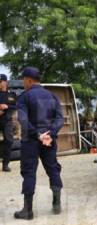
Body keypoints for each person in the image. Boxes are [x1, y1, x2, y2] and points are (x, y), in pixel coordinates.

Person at [15, 67, 64, 220]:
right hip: (49, 140)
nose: (23, 83)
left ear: (29, 80)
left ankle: (27, 210)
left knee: (29, 171)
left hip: (30, 140)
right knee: (53, 168)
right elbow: (60, 119)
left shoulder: (24, 97)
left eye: (23, 80)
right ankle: (56, 203)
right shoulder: (52, 96)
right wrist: (50, 133)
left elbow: (23, 120)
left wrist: (37, 134)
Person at [0, 74, 17, 172]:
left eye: (0, 81)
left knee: (9, 141)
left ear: (5, 82)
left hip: (7, 121)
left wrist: (6, 107)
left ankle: (5, 164)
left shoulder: (12, 94)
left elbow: (15, 107)